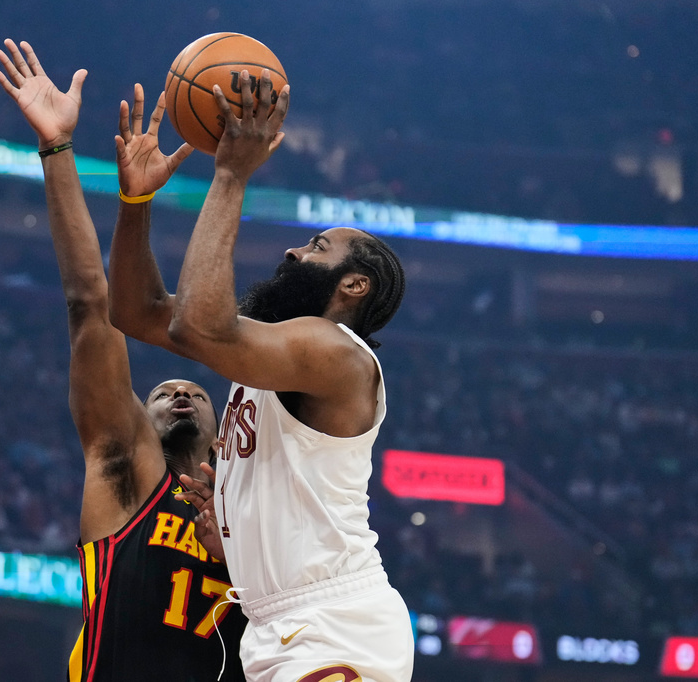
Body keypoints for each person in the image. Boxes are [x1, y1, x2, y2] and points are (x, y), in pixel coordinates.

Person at [108, 70, 414, 681]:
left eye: (317, 247)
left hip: (336, 622)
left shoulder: (337, 354)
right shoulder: (273, 351)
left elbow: (198, 326)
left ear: (353, 286)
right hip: (274, 623)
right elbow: (136, 313)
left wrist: (230, 174)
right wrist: (136, 204)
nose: (292, 253)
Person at [0, 39, 246, 682]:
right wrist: (57, 149)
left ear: (225, 434)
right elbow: (89, 303)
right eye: (163, 392)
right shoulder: (126, 472)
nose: (181, 393)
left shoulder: (254, 523)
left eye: (193, 389)